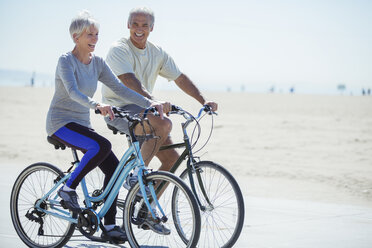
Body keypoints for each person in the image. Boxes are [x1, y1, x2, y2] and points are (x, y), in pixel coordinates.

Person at [46, 10, 164, 242]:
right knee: (102, 145)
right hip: (60, 123)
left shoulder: (98, 63)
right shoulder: (65, 61)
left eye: (97, 34)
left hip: (82, 124)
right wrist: (96, 105)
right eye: (89, 34)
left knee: (114, 169)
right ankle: (68, 189)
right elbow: (72, 92)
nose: (94, 39)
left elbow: (120, 89)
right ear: (75, 37)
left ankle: (109, 226)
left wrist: (150, 103)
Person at [102, 6, 218, 179]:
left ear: (152, 27)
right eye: (135, 24)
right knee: (163, 124)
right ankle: (136, 174)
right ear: (128, 25)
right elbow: (128, 80)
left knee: (172, 161)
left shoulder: (157, 52)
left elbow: (180, 78)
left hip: (145, 108)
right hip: (119, 108)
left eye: (144, 25)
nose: (139, 29)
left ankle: (144, 206)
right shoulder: (119, 49)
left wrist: (204, 101)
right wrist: (153, 101)